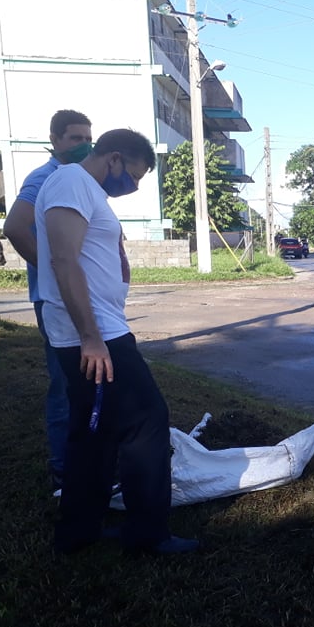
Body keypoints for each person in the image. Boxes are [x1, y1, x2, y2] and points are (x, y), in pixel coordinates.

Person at [35, 128, 198, 556]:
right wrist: (90, 337)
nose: (136, 185)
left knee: (95, 434)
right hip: (95, 335)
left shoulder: (84, 189)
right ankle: (148, 537)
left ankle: (79, 531)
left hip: (94, 329)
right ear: (114, 160)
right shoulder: (72, 182)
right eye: (136, 175)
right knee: (147, 421)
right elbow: (64, 259)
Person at [4, 109, 93, 491]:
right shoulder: (44, 177)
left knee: (83, 382)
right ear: (55, 139)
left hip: (74, 296)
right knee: (64, 385)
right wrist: (54, 272)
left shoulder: (77, 177)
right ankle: (63, 467)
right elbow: (14, 227)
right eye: (75, 138)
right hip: (55, 302)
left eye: (88, 137)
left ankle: (88, 459)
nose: (84, 144)